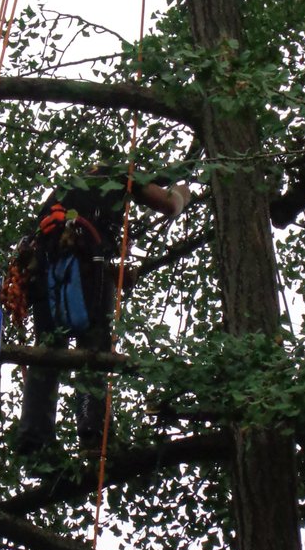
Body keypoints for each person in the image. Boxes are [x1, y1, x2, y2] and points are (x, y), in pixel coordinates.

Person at [13, 164, 190, 463]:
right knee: (93, 347)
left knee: (47, 350)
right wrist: (183, 193)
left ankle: (34, 437)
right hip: (87, 269)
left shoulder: (66, 191)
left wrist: (115, 271)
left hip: (45, 272)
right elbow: (169, 205)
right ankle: (92, 434)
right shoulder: (119, 175)